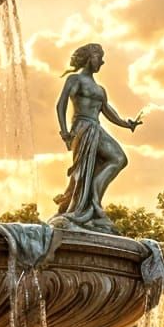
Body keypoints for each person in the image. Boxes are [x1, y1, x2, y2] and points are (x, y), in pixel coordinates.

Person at [53, 43, 141, 231]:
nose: (102, 61)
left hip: (96, 127)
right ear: (88, 58)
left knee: (119, 159)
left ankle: (93, 202)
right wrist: (65, 133)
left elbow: (107, 110)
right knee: (93, 168)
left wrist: (127, 124)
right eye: (99, 57)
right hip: (82, 127)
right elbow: (60, 105)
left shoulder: (100, 89)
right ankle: (90, 205)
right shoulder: (74, 79)